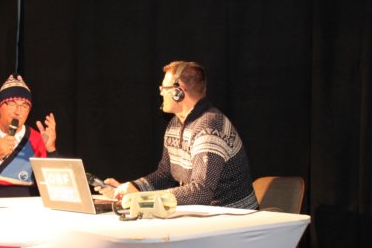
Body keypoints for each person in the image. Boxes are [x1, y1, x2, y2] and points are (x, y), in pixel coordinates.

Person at [97, 61, 258, 209]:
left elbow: (201, 191)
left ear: (178, 91)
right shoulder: (174, 124)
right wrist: (131, 188)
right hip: (207, 216)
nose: (161, 92)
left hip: (234, 217)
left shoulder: (210, 126)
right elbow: (166, 175)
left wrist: (141, 198)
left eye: (164, 88)